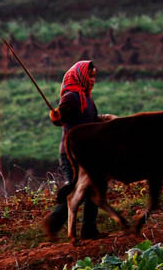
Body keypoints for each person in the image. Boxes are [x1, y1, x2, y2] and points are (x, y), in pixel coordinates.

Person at [42, 60, 112, 239]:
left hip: (86, 151)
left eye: (94, 77)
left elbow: (92, 120)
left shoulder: (86, 97)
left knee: (95, 186)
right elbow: (59, 119)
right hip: (71, 153)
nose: (93, 80)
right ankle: (53, 222)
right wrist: (55, 116)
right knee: (77, 189)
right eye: (90, 76)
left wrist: (107, 119)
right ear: (80, 76)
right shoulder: (71, 97)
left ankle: (89, 229)